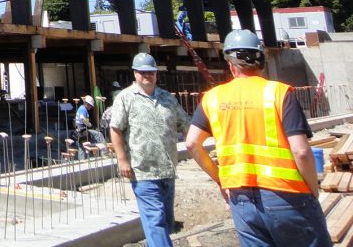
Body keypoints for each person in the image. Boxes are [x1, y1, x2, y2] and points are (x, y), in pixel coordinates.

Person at [185, 29, 331, 247]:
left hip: (241, 199)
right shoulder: (278, 93)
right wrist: (312, 191)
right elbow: (301, 151)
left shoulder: (213, 98)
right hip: (287, 195)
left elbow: (191, 143)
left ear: (231, 64)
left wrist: (221, 181)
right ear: (261, 61)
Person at [109, 53, 190, 247]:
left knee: (166, 222)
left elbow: (185, 124)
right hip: (142, 171)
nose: (147, 76)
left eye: (151, 72)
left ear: (156, 74)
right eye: (142, 72)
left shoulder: (167, 98)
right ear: (135, 73)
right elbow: (116, 128)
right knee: (155, 219)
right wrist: (122, 159)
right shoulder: (125, 98)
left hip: (167, 171)